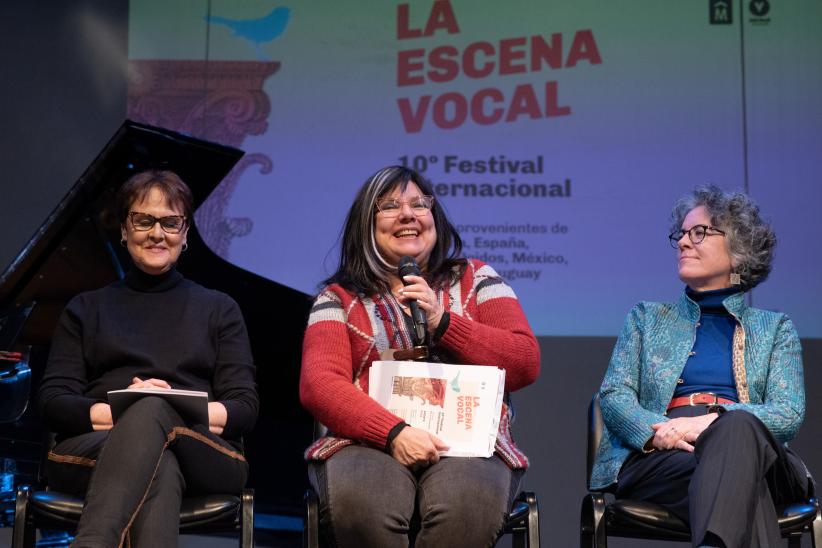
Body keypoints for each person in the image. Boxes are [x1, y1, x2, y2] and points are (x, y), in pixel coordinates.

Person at [299, 166, 540, 548]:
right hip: (365, 444)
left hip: (468, 448)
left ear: (435, 218)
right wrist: (393, 433)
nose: (408, 214)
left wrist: (443, 322)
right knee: (365, 507)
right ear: (367, 223)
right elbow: (320, 385)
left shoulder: (477, 279)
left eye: (419, 204)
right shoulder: (337, 300)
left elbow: (525, 362)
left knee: (466, 507)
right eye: (391, 206)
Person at [39, 170, 258, 547]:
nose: (157, 233)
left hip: (203, 451)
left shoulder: (219, 309)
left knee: (151, 412)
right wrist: (125, 410)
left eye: (171, 223)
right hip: (92, 445)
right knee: (158, 461)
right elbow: (54, 402)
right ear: (124, 229)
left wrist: (165, 408)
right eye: (143, 220)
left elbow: (244, 408)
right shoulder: (86, 308)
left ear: (185, 233)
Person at [591, 185, 809, 547]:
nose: (683, 243)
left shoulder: (774, 328)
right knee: (740, 485)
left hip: (762, 458)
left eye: (699, 233)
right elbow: (615, 395)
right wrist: (657, 431)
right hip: (665, 457)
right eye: (681, 234)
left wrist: (713, 422)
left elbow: (788, 413)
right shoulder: (645, 318)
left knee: (737, 436)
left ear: (739, 250)